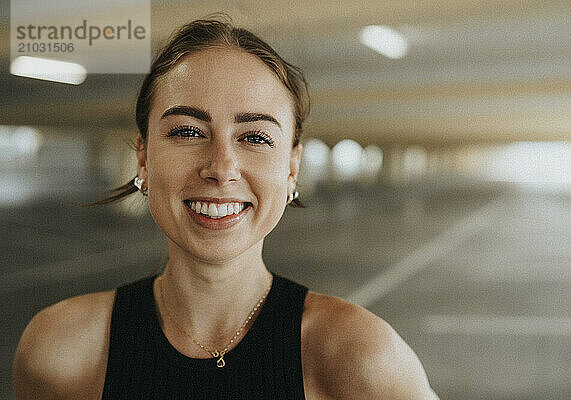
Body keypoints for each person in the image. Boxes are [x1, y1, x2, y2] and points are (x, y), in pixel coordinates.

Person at [12, 18, 440, 399]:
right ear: (143, 158)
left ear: (291, 169)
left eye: (254, 138)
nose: (221, 168)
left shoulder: (359, 356)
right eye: (187, 131)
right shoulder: (60, 351)